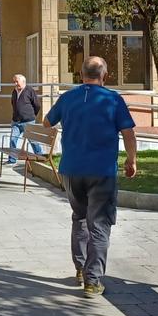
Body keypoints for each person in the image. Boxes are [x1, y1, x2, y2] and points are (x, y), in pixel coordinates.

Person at [44, 56, 137, 298]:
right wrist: (131, 159)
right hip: (101, 171)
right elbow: (128, 132)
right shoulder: (113, 99)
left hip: (71, 169)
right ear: (105, 75)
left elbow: (46, 122)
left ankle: (80, 268)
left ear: (81, 75)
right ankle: (92, 281)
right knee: (100, 224)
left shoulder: (68, 97)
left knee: (80, 218)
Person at [6, 74, 42, 164]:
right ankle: (12, 159)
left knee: (33, 141)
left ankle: (40, 157)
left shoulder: (30, 90)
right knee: (12, 139)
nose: (15, 83)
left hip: (28, 121)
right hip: (16, 121)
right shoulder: (14, 91)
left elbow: (37, 105)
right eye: (14, 82)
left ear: (23, 81)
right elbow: (13, 103)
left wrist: (31, 115)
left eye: (17, 82)